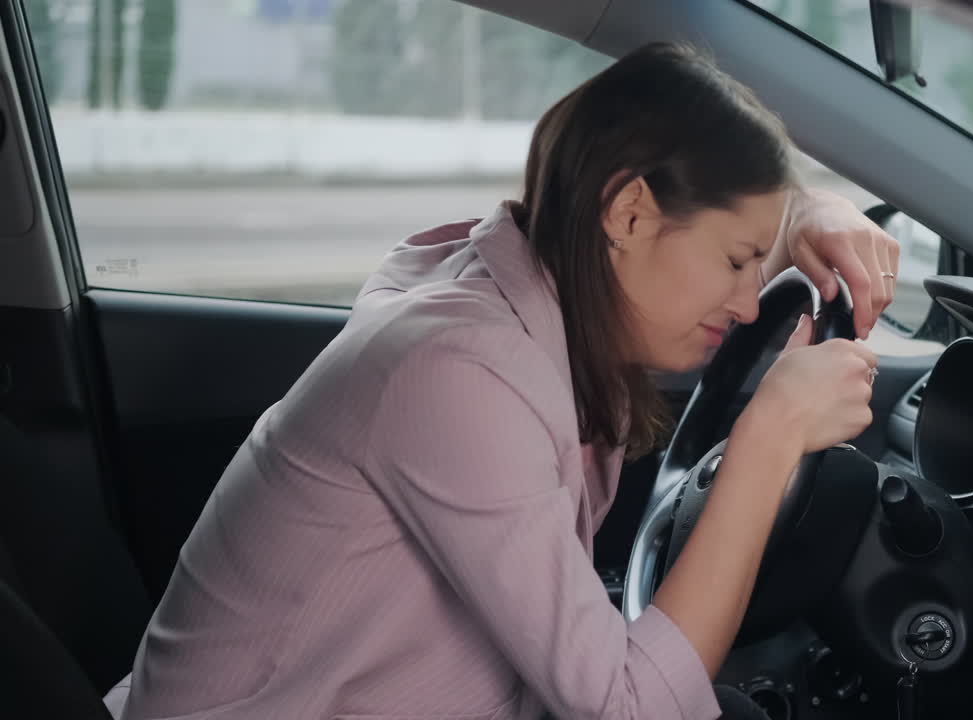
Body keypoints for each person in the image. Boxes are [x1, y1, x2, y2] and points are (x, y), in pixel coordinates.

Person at [112, 42, 898, 720]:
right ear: (627, 214)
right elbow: (630, 708)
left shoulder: (515, 289)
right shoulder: (457, 371)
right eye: (736, 261)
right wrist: (769, 437)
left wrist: (806, 213)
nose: (749, 301)